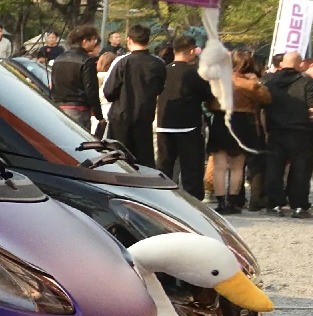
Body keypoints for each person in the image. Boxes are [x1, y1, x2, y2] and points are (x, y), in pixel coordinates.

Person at [155, 34, 218, 198]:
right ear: (191, 51)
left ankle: (162, 197)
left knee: (164, 166)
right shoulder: (194, 73)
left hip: (164, 124)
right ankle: (192, 200)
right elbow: (208, 95)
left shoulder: (163, 70)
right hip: (188, 126)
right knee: (191, 168)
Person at [206, 48, 268, 213]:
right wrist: (257, 82)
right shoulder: (249, 83)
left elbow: (208, 102)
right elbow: (267, 98)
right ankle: (232, 202)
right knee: (237, 166)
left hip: (220, 119)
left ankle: (220, 202)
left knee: (219, 165)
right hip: (241, 122)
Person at [104, 25, 164, 164]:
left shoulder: (123, 62)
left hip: (120, 118)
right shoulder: (158, 64)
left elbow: (109, 91)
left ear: (129, 40)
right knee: (143, 162)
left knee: (117, 160)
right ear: (148, 40)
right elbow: (159, 89)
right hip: (144, 117)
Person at [265, 51, 313, 217]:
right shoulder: (306, 82)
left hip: (275, 130)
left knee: (274, 167)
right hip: (301, 132)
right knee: (301, 169)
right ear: (299, 64)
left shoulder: (270, 82)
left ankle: (274, 204)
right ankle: (299, 205)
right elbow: (312, 108)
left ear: (283, 63)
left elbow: (262, 108)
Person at [49, 27, 102, 131]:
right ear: (85, 41)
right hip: (78, 110)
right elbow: (91, 91)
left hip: (58, 108)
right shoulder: (87, 61)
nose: (95, 43)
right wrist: (99, 115)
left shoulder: (59, 59)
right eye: (93, 40)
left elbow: (53, 84)